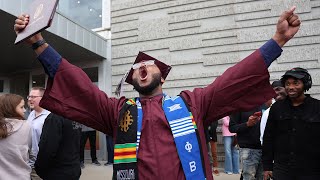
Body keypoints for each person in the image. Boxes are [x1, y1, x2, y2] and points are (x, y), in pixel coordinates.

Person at [14, 7, 300, 180]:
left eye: (147, 65)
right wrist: (38, 43)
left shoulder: (192, 104)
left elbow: (233, 79)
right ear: (133, 81)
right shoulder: (118, 111)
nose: (141, 67)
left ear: (161, 75)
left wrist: (277, 41)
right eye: (136, 66)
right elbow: (78, 85)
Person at [262, 67, 320, 180]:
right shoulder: (276, 108)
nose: (291, 87)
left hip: (312, 170)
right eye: (288, 84)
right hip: (283, 170)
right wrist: (267, 166)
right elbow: (268, 138)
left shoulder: (317, 107)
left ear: (306, 84)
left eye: (296, 83)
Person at [34, 113, 82, 180]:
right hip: (73, 169)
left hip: (58, 172)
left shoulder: (54, 118)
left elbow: (47, 150)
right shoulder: (75, 115)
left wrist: (38, 168)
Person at [229, 104, 268, 180]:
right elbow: (232, 128)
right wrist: (247, 124)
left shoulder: (265, 105)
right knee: (248, 177)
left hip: (265, 149)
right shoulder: (240, 105)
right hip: (248, 149)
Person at [0, 94, 32, 180]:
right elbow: (32, 151)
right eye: (21, 107)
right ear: (10, 109)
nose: (25, 110)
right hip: (20, 175)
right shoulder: (26, 126)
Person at [27, 87, 50, 180]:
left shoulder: (49, 116)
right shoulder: (31, 114)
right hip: (29, 163)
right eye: (29, 96)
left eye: (33, 97)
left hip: (42, 165)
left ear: (43, 98)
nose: (29, 99)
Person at [260, 80, 286, 145]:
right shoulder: (267, 113)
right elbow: (263, 136)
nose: (276, 92)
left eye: (278, 89)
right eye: (273, 91)